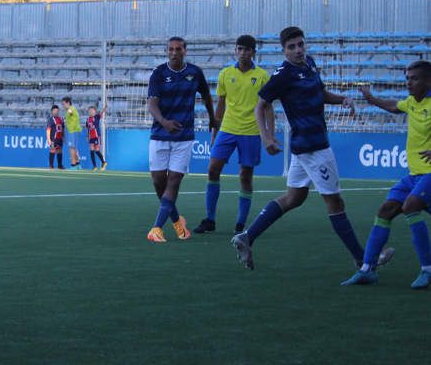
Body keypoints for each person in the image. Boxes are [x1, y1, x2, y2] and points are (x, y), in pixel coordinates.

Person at [230, 26, 372, 271]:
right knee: (335, 203)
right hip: (313, 148)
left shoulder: (310, 64)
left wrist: (342, 99)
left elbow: (321, 92)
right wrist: (267, 138)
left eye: (300, 44)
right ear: (284, 50)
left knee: (294, 197)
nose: (298, 50)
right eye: (292, 47)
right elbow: (260, 105)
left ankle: (246, 237)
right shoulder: (283, 75)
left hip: (305, 146)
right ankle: (363, 260)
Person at [341, 61, 431, 288]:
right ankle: (367, 269)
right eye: (407, 78)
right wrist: (371, 99)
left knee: (411, 205)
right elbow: (393, 106)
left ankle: (427, 270)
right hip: (414, 176)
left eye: (414, 78)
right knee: (385, 210)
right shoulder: (412, 103)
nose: (408, 82)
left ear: (428, 81)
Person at [194, 35, 269, 234]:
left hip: (251, 131)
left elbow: (267, 106)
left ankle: (240, 224)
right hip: (227, 129)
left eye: (248, 49)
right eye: (240, 48)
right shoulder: (226, 74)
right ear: (236, 50)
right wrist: (214, 130)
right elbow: (221, 105)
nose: (244, 52)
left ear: (254, 52)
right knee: (212, 169)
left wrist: (267, 134)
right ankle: (210, 219)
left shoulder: (262, 76)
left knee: (245, 175)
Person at [146, 37, 218, 243]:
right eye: (171, 49)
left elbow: (206, 95)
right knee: (159, 182)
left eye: (178, 49)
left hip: (184, 137)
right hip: (160, 135)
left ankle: (157, 228)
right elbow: (152, 104)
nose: (174, 52)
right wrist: (164, 121)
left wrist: (213, 118)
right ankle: (178, 223)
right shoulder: (158, 73)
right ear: (167, 51)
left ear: (185, 51)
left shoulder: (195, 72)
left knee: (174, 181)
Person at [61, 96, 82, 168]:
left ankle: (73, 165)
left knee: (71, 148)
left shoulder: (71, 109)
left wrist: (69, 112)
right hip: (75, 131)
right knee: (74, 148)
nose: (63, 106)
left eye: (63, 104)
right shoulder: (71, 109)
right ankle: (78, 164)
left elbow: (71, 112)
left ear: (68, 103)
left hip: (73, 131)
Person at [86, 105, 105, 170]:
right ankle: (94, 166)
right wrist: (87, 136)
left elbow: (101, 112)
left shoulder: (96, 117)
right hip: (91, 137)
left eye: (92, 111)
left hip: (97, 136)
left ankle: (103, 162)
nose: (90, 112)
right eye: (89, 111)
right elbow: (88, 128)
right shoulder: (88, 119)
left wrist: (104, 108)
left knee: (96, 150)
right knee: (91, 151)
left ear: (95, 111)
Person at [46, 104, 65, 169]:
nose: (56, 112)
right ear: (52, 111)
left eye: (57, 111)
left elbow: (63, 128)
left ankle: (60, 165)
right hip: (53, 138)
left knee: (60, 151)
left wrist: (63, 136)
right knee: (52, 150)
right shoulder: (51, 120)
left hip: (59, 138)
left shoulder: (61, 119)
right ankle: (51, 165)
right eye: (54, 111)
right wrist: (48, 139)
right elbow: (48, 129)